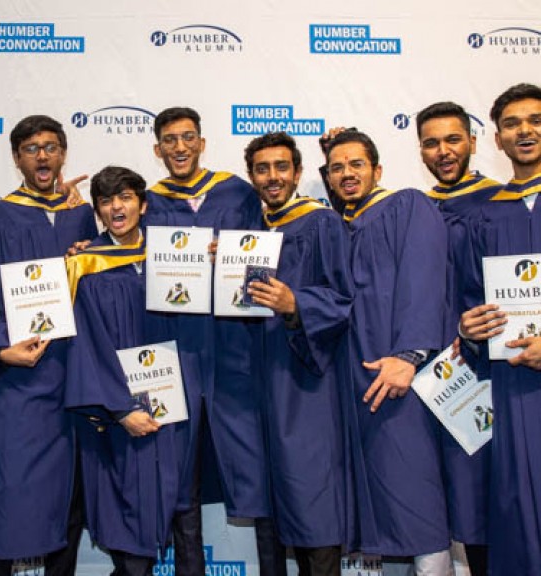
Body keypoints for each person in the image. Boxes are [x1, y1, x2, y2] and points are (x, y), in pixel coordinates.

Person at [143, 107, 281, 575]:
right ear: (157, 148)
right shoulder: (147, 201)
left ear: (202, 143)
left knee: (255, 467)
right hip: (174, 352)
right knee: (179, 474)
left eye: (188, 138)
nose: (179, 147)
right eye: (169, 140)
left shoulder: (239, 193)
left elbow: (271, 250)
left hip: (235, 351)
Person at [324, 130, 453, 574]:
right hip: (355, 375)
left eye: (356, 164)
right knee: (375, 491)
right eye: (337, 167)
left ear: (377, 170)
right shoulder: (337, 225)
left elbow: (424, 278)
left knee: (413, 484)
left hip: (398, 373)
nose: (347, 174)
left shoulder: (407, 206)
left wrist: (411, 353)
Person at [0, 115, 97, 576]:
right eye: (31, 148)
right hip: (23, 373)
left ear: (63, 153)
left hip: (81, 370)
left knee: (70, 494)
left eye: (50, 147)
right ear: (16, 158)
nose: (42, 156)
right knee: (14, 489)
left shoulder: (84, 214)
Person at [243, 133, 353, 576]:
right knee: (269, 497)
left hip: (305, 379)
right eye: (263, 169)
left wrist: (295, 306)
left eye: (282, 167)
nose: (273, 177)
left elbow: (342, 299)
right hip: (257, 380)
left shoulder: (321, 224)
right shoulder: (250, 234)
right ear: (252, 177)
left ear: (298, 173)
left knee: (311, 495)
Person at [65, 166, 181, 576]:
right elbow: (86, 345)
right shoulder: (87, 266)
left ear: (142, 204)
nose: (117, 207)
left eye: (126, 197)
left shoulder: (171, 259)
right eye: (107, 200)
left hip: (169, 410)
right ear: (98, 211)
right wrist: (120, 409)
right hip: (117, 419)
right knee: (126, 528)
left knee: (170, 513)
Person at [457, 83, 541, 576]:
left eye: (534, 120)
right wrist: (468, 328)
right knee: (516, 516)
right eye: (512, 124)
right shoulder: (482, 215)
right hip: (510, 389)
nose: (525, 131)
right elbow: (471, 303)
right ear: (497, 138)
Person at [416, 102, 503, 576]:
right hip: (438, 377)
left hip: (498, 369)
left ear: (473, 141)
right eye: (432, 143)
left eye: (453, 140)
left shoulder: (502, 203)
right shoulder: (419, 209)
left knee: (497, 495)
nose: (444, 151)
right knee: (460, 500)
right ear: (421, 151)